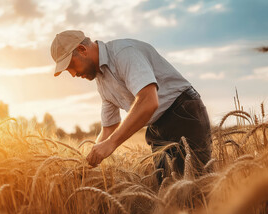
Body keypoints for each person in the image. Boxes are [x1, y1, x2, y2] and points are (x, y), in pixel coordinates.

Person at [50, 30, 212, 184]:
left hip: (183, 114)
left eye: (71, 65)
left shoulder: (124, 53)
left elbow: (149, 101)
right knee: (169, 192)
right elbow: (109, 127)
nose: (73, 74)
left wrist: (111, 144)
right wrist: (85, 166)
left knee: (197, 188)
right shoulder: (102, 82)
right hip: (156, 127)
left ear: (82, 49)